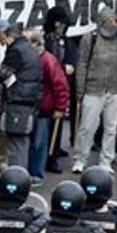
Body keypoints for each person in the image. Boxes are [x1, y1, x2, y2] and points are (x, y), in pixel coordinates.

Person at [73, 7, 117, 173]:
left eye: (115, 20)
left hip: (114, 89)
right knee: (87, 127)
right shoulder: (90, 38)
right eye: (111, 20)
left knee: (111, 128)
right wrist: (80, 89)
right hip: (93, 89)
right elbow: (81, 64)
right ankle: (80, 159)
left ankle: (106, 161)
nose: (114, 23)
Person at [29, 33, 70, 183]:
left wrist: (60, 107)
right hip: (31, 106)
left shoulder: (48, 60)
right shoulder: (35, 58)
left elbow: (60, 85)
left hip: (43, 108)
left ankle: (36, 174)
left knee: (39, 143)